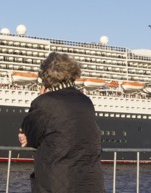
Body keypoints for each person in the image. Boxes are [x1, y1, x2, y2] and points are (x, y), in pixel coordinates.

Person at [18, 52, 104, 193]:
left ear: (46, 75)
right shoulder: (85, 100)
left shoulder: (44, 102)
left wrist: (41, 97)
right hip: (90, 182)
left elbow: (30, 134)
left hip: (57, 183)